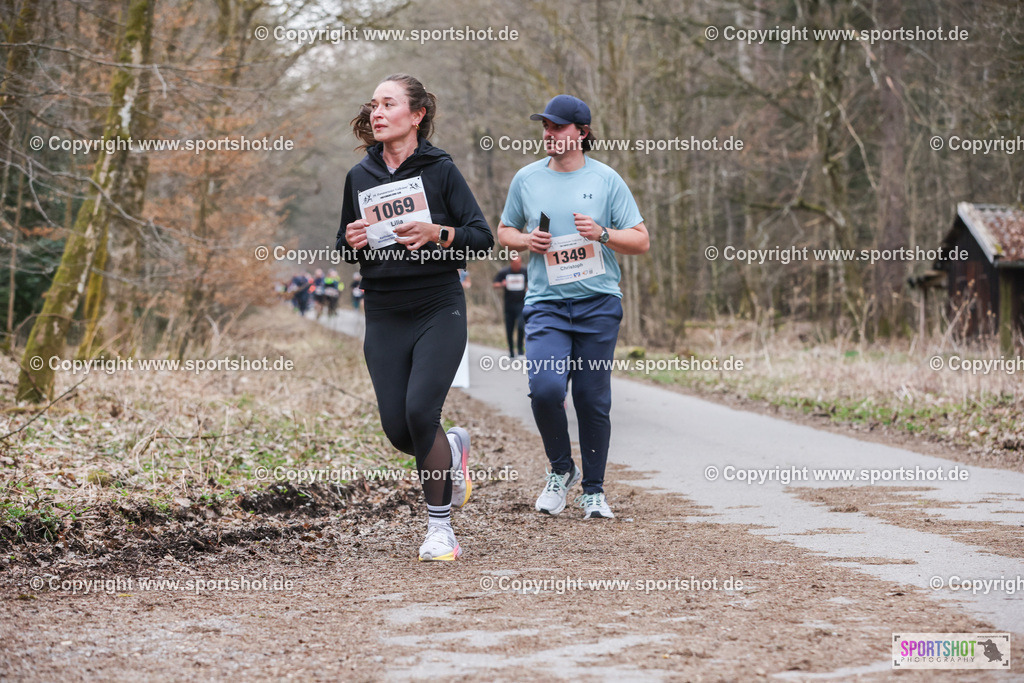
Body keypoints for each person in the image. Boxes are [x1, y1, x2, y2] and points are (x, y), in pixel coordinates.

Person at [336, 73, 493, 560]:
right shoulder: (359, 177)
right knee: (399, 428)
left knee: (421, 411)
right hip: (382, 310)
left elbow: (481, 236)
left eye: (388, 104)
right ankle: (453, 449)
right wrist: (351, 241)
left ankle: (440, 530)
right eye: (373, 105)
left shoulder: (440, 170)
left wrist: (437, 233)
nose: (376, 113)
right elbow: (341, 246)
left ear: (417, 114)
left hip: (436, 304)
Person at [497, 94, 650, 520]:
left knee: (590, 397)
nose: (548, 134)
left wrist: (602, 234)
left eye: (557, 127)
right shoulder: (526, 179)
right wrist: (528, 241)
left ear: (581, 133)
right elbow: (504, 230)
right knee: (545, 390)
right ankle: (562, 470)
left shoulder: (606, 180)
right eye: (545, 127)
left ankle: (595, 491)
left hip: (598, 302)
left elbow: (640, 240)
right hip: (546, 303)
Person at [492, 253, 527, 358]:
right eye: (516, 263)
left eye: (519, 263)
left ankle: (520, 351)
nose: (518, 265)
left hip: (521, 303)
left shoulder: (525, 271)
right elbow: (494, 284)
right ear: (511, 263)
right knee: (509, 329)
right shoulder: (504, 272)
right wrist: (502, 284)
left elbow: (532, 283)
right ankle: (511, 352)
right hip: (509, 304)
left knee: (521, 326)